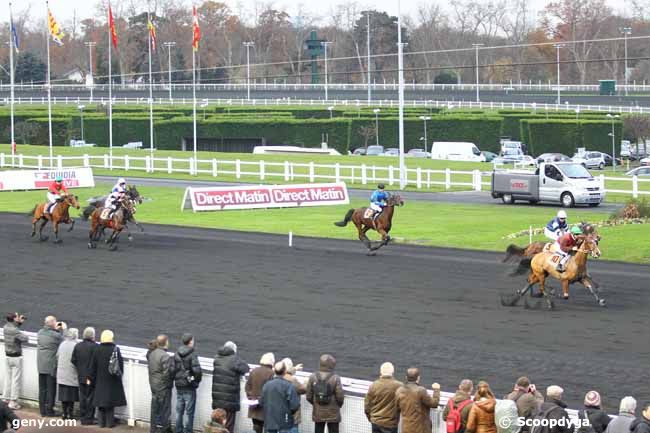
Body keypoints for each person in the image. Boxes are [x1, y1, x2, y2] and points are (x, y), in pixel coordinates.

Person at [90, 330, 127, 428]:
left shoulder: (97, 349)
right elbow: (120, 366)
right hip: (112, 379)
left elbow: (93, 366)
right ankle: (110, 423)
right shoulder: (115, 349)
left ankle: (101, 423)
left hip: (100, 379)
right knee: (110, 404)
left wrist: (91, 379)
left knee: (100, 403)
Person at [212, 341, 250, 433]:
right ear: (234, 350)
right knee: (228, 425)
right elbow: (246, 368)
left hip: (217, 399)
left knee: (216, 423)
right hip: (230, 400)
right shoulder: (235, 359)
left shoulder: (216, 358)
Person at [306, 354, 345, 433]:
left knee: (318, 430)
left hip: (318, 411)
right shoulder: (335, 378)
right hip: (333, 413)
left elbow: (308, 396)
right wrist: (338, 406)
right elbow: (340, 397)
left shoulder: (313, 377)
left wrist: (316, 404)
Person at [395, 368, 440, 433]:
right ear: (418, 378)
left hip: (406, 428)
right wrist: (436, 390)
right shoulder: (421, 390)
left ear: (406, 377)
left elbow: (397, 408)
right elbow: (434, 404)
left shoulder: (399, 391)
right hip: (421, 429)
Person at [259, 361, 301, 433]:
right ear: (285, 371)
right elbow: (295, 405)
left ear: (274, 371)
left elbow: (261, 402)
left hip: (270, 421)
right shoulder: (289, 386)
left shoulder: (267, 385)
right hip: (285, 421)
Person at [174, 334, 203, 433]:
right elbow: (197, 371)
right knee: (189, 412)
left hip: (179, 386)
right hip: (189, 386)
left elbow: (173, 369)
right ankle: (188, 431)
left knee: (179, 412)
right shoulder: (192, 354)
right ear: (190, 341)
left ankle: (178, 430)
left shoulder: (176, 353)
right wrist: (196, 381)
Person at [37, 316, 64, 417]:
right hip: (50, 367)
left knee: (42, 389)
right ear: (52, 323)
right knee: (51, 389)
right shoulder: (55, 335)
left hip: (40, 365)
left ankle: (42, 410)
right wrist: (61, 330)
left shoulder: (40, 332)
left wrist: (54, 330)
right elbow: (64, 340)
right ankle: (49, 410)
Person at [364, 362, 403, 433]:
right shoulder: (399, 386)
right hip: (390, 424)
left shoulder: (374, 385)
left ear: (380, 372)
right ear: (393, 372)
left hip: (375, 422)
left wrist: (371, 418)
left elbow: (367, 405)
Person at [147, 335, 174, 433]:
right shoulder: (165, 356)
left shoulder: (152, 354)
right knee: (165, 411)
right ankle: (165, 430)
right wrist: (169, 385)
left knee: (154, 410)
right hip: (163, 388)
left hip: (153, 386)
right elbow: (167, 375)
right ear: (166, 343)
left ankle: (153, 429)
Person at [71, 327, 98, 425]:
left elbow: (73, 360)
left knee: (82, 397)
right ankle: (89, 418)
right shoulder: (96, 347)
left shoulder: (78, 346)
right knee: (90, 397)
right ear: (93, 336)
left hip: (81, 376)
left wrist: (80, 368)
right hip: (91, 377)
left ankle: (83, 417)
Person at [2, 313, 28, 410]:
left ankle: (5, 398)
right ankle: (13, 402)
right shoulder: (15, 330)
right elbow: (25, 338)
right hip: (16, 357)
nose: (18, 318)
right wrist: (19, 324)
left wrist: (19, 323)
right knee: (15, 380)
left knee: (8, 379)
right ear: (13, 319)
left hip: (7, 356)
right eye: (16, 317)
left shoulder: (5, 327)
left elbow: (13, 329)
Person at [246, 353, 276, 433]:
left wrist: (251, 398)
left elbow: (247, 387)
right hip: (266, 407)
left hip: (254, 405)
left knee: (257, 427)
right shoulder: (271, 373)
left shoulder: (254, 371)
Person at [56, 328, 80, 420]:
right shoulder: (76, 345)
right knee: (71, 396)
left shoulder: (62, 344)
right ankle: (70, 413)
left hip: (62, 373)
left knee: (63, 395)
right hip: (72, 373)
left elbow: (57, 356)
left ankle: (64, 413)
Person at [281, 358, 306, 433]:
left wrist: (295, 368)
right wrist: (306, 382)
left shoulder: (276, 378)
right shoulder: (293, 380)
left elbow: (287, 372)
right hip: (292, 415)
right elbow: (303, 389)